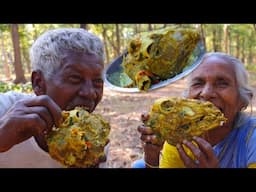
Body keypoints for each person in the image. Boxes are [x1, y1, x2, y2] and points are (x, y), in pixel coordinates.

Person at [0, 28, 107, 168]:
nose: (90, 93)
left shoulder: (93, 140)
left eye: (97, 82)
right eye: (75, 78)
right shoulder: (4, 109)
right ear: (38, 83)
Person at [133, 52, 256, 168]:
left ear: (242, 101)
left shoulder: (251, 139)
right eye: (198, 83)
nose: (206, 93)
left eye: (222, 83)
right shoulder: (179, 138)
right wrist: (152, 158)